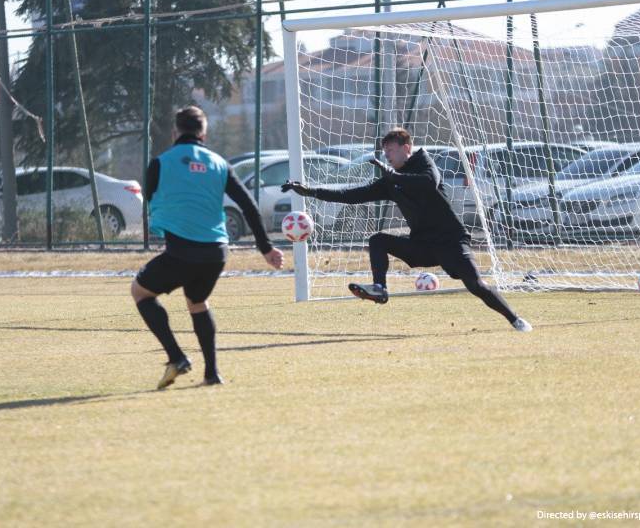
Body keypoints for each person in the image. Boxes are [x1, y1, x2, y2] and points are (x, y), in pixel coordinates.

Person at [282, 127, 532, 332]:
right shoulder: (391, 180)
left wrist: (394, 177)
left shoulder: (423, 161)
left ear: (406, 148)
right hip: (422, 246)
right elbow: (351, 195)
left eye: (390, 150)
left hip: (450, 241)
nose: (387, 156)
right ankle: (379, 289)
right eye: (385, 152)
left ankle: (515, 320)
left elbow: (429, 183)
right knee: (378, 240)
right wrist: (311, 191)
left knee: (475, 284)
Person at [131, 106, 284, 389]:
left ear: (175, 132)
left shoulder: (161, 162)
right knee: (197, 302)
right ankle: (212, 374)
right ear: (204, 132)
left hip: (181, 251)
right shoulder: (219, 163)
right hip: (216, 254)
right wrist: (266, 248)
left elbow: (150, 196)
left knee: (140, 291)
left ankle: (176, 357)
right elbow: (249, 206)